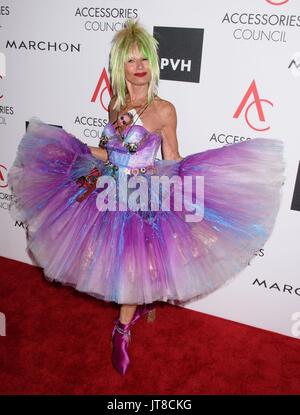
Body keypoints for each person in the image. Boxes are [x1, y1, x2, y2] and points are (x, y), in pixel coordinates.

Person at [7, 19, 286, 376]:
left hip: (141, 195)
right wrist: (79, 150)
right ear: (119, 65)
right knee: (116, 261)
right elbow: (114, 153)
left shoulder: (164, 110)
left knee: (134, 265)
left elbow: (171, 157)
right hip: (108, 190)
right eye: (130, 60)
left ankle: (121, 329)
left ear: (153, 65)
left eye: (144, 60)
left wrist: (194, 179)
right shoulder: (114, 103)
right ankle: (134, 310)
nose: (139, 67)